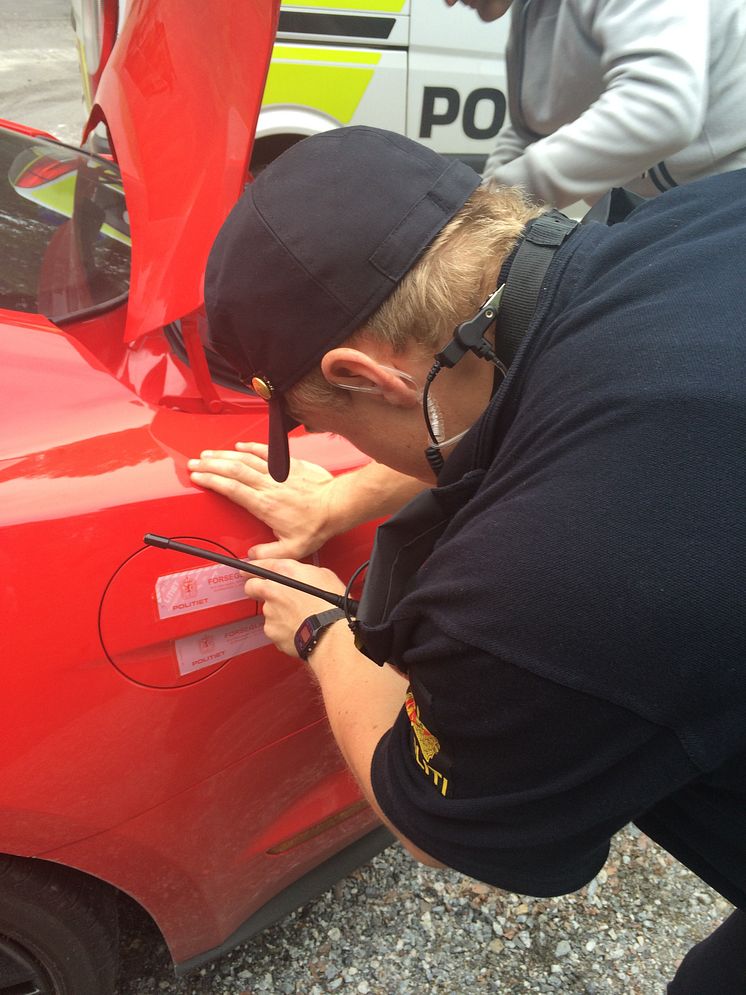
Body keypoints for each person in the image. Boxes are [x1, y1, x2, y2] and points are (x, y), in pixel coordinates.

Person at [190, 127, 746, 991]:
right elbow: (533, 394)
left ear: (365, 375)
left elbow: (436, 823)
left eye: (331, 425)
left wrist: (323, 626)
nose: (339, 448)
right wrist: (345, 498)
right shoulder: (701, 221)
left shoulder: (547, 585)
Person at [445, 0, 746, 209]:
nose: (447, 3)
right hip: (652, 207)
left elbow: (659, 110)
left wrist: (498, 200)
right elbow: (530, 130)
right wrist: (481, 207)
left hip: (726, 201)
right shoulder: (529, 8)